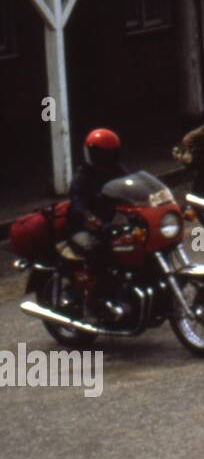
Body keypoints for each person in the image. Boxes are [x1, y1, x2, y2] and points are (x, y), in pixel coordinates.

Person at [67, 128, 127, 319]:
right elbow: (77, 203)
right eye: (101, 154)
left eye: (108, 153)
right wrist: (90, 218)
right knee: (98, 252)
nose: (105, 158)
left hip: (109, 225)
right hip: (82, 227)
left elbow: (132, 185)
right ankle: (96, 300)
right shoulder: (83, 175)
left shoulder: (117, 170)